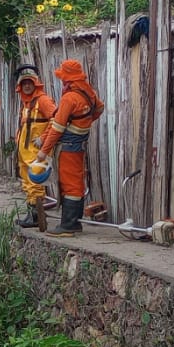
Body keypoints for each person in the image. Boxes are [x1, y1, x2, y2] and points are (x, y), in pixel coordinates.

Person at [39, 59, 105, 237]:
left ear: (66, 78)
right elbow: (99, 108)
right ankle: (73, 222)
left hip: (68, 146)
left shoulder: (69, 98)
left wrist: (43, 152)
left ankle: (69, 225)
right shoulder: (88, 91)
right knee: (76, 179)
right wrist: (84, 124)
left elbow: (57, 129)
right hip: (80, 142)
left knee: (71, 184)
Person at [13, 70, 57, 232]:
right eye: (24, 84)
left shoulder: (44, 101)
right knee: (27, 183)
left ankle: (38, 216)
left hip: (38, 151)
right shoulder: (26, 103)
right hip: (25, 152)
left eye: (29, 83)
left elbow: (56, 120)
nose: (26, 86)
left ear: (35, 84)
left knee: (36, 183)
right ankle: (32, 215)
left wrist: (44, 138)